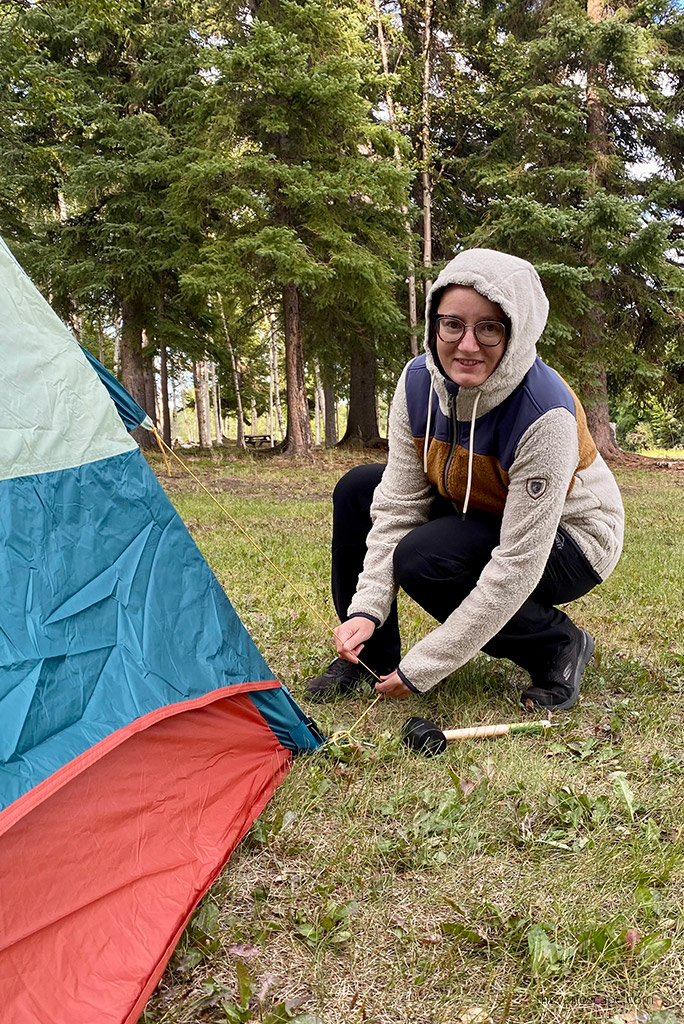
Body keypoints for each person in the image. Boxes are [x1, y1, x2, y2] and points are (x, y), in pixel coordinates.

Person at [307, 248, 624, 709]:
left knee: (425, 557)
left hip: (571, 541)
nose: (467, 344)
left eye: (489, 327)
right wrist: (367, 608)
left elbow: (517, 564)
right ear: (435, 320)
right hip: (477, 509)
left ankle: (555, 644)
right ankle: (369, 655)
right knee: (359, 489)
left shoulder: (546, 416)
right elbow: (398, 505)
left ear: (517, 332)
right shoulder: (417, 383)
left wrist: (425, 666)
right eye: (452, 323)